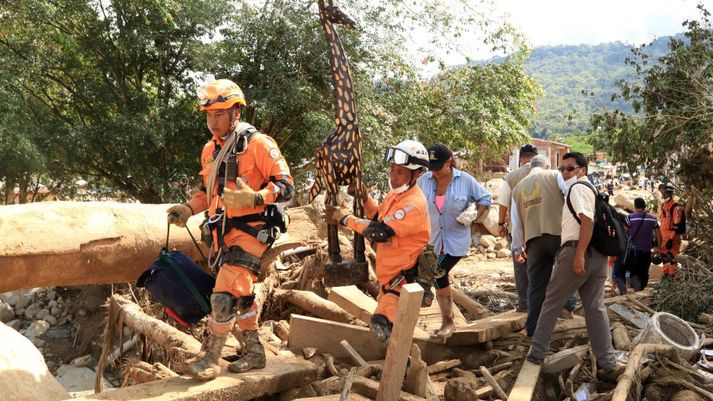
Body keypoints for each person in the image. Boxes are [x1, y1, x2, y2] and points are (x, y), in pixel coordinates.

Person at [166, 79, 294, 380]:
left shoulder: (259, 144)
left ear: (236, 112)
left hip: (252, 233)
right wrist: (189, 208)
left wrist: (257, 197)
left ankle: (210, 358)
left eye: (220, 114)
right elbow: (206, 191)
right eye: (209, 115)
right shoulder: (210, 150)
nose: (213, 121)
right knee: (241, 296)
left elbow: (287, 187)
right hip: (222, 235)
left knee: (223, 296)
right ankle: (254, 351)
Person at [526, 152, 621, 381]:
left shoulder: (578, 188)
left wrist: (578, 255)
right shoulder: (593, 190)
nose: (565, 173)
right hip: (597, 258)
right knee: (595, 309)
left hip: (578, 252)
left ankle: (536, 354)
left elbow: (586, 221)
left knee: (551, 303)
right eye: (562, 169)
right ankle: (608, 364)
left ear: (583, 170)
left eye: (570, 168)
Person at [325, 140, 430, 344]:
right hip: (388, 281)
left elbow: (379, 232)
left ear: (416, 174)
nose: (394, 176)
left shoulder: (413, 204)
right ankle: (400, 366)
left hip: (402, 284)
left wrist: (344, 218)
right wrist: (365, 198)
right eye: (392, 170)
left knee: (382, 324)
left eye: (400, 172)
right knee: (390, 330)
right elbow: (377, 218)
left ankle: (402, 367)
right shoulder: (396, 196)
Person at [417, 143, 492, 339]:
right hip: (432, 240)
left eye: (438, 167)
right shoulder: (424, 181)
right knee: (439, 276)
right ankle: (447, 320)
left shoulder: (465, 180)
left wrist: (475, 216)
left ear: (449, 161)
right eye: (431, 168)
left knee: (436, 272)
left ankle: (447, 321)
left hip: (455, 241)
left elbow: (485, 199)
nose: (435, 172)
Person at [510, 155, 576, 336]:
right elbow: (570, 194)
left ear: (530, 168)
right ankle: (568, 307)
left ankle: (533, 327)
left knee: (536, 285)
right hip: (559, 234)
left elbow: (515, 222)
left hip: (533, 241)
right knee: (568, 272)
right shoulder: (555, 175)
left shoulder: (518, 188)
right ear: (547, 165)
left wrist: (517, 247)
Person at [497, 144, 538, 312]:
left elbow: (503, 202)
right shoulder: (548, 175)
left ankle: (524, 304)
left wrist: (501, 223)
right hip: (540, 230)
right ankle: (540, 304)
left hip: (518, 230)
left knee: (521, 268)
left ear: (521, 159)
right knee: (540, 266)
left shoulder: (512, 176)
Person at [612, 198, 662, 294]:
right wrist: (659, 248)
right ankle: (640, 291)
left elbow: (624, 232)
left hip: (633, 252)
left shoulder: (630, 217)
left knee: (632, 272)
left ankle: (634, 290)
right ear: (644, 206)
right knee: (643, 272)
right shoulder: (652, 219)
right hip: (647, 252)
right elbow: (659, 234)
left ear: (635, 206)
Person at [659, 183, 685, 275]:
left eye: (665, 192)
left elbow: (676, 225)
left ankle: (673, 279)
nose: (663, 194)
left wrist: (670, 239)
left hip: (672, 239)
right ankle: (666, 279)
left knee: (672, 259)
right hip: (664, 238)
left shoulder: (676, 207)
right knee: (664, 259)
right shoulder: (664, 205)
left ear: (669, 193)